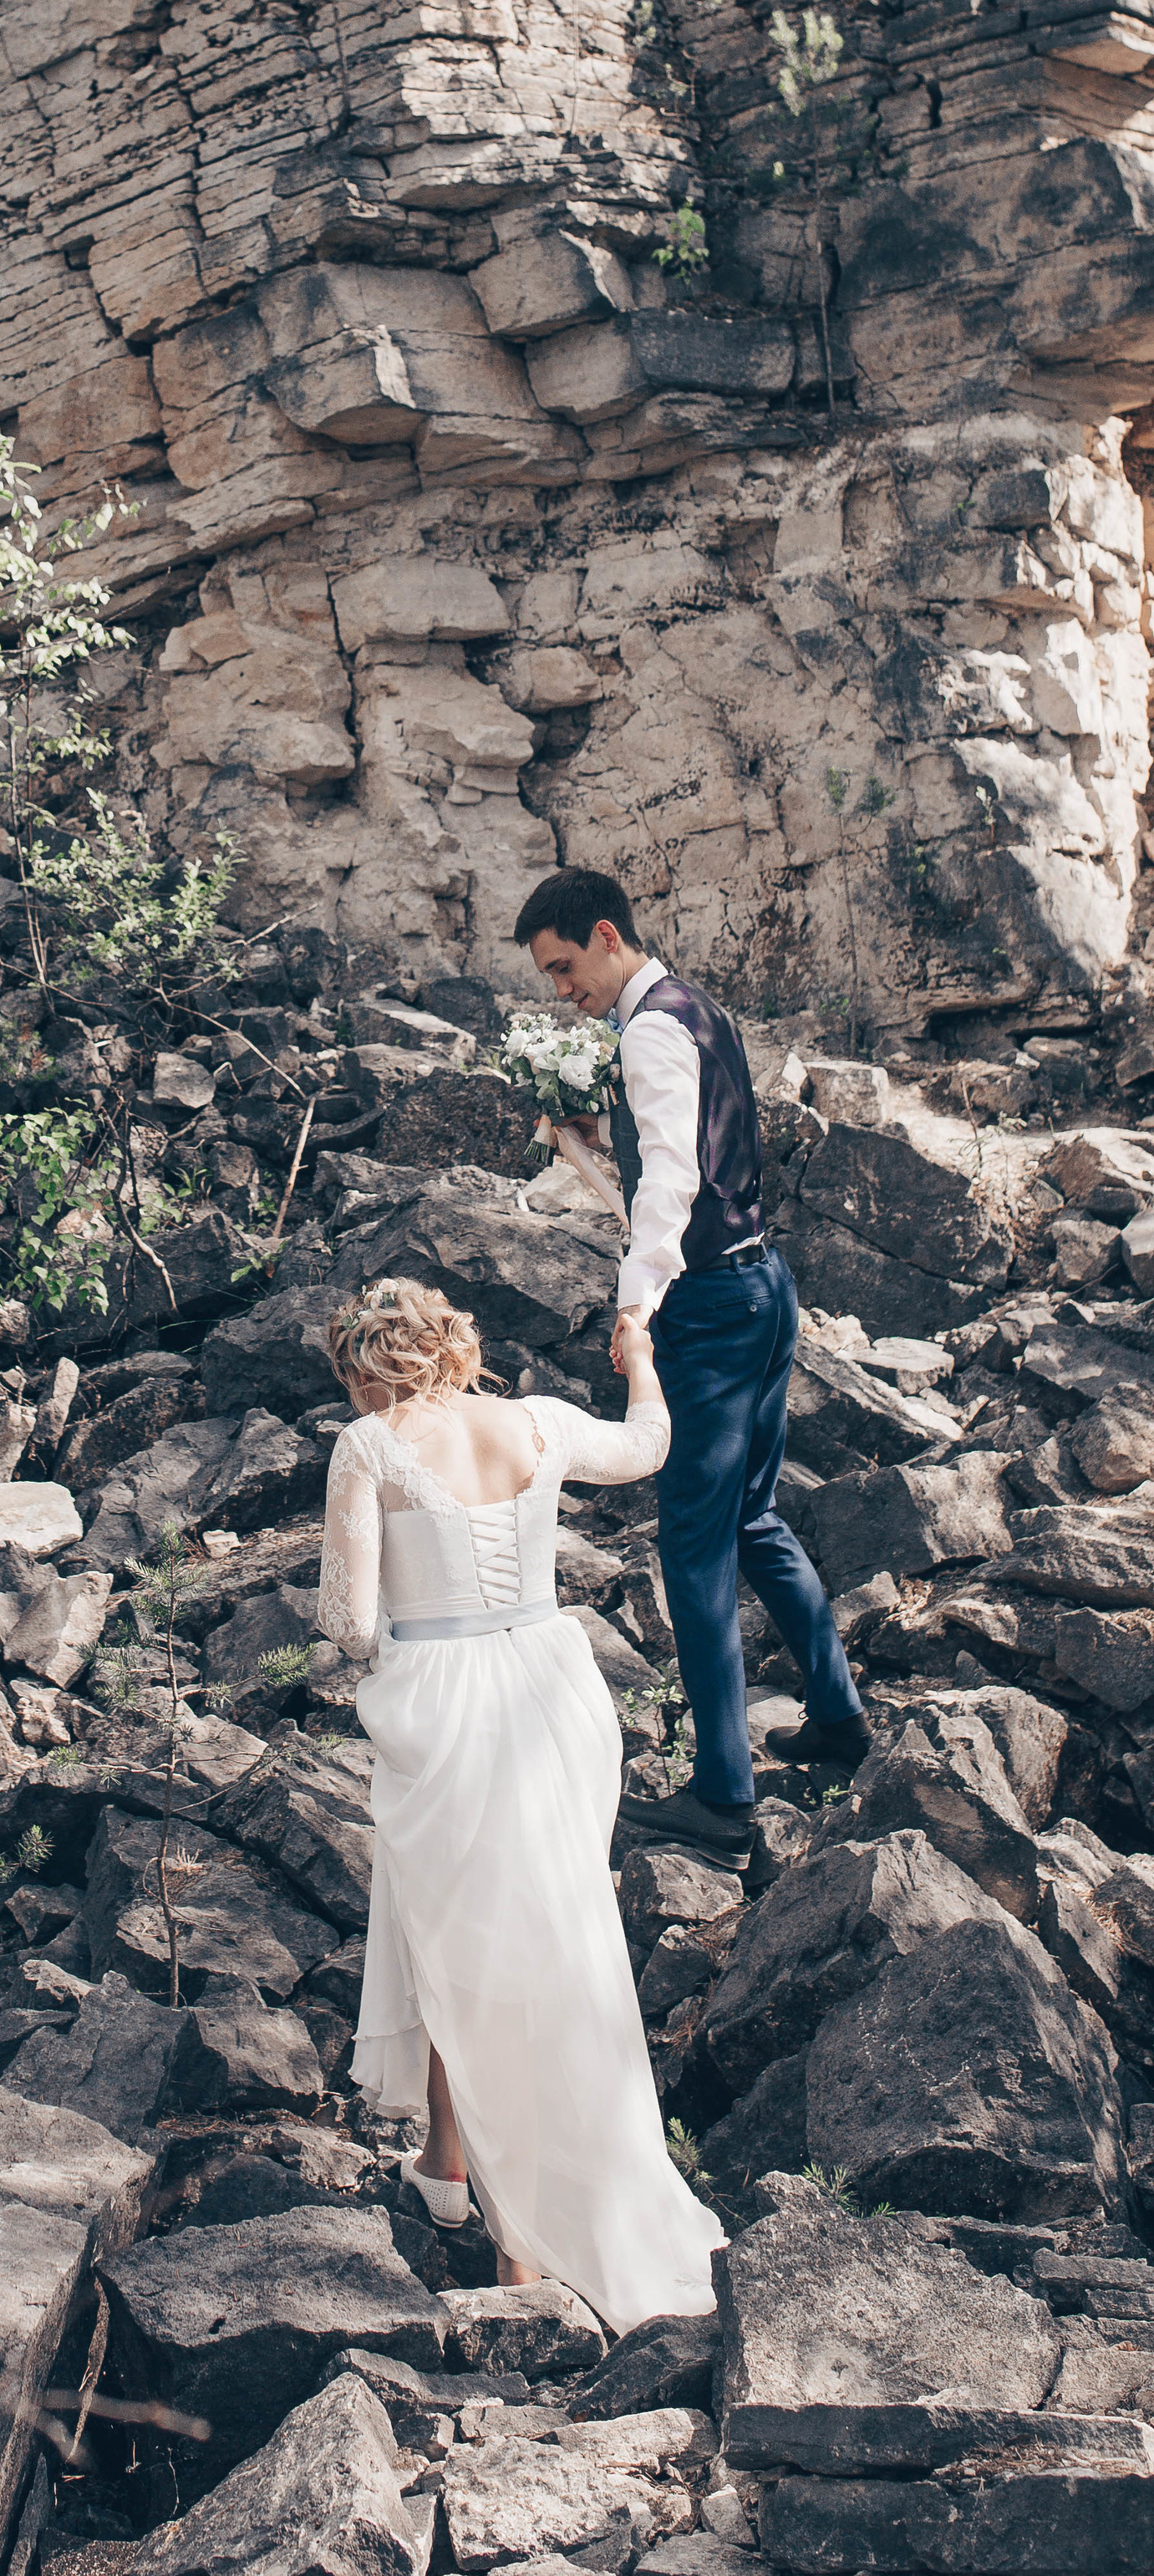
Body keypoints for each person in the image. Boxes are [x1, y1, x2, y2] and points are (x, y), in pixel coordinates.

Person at [318, 1275, 724, 2331]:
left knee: (473, 1947)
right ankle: (445, 2160)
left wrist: (401, 1627)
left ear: (364, 1364)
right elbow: (647, 1449)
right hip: (552, 1684)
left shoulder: (366, 1450)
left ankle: (520, 2245)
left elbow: (349, 1620)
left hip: (445, 1703)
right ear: (453, 1344)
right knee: (541, 1932)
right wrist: (638, 1358)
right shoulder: (535, 1421)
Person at [513, 867, 868, 1861]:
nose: (559, 991)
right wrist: (594, 1140)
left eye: (564, 967)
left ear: (604, 934)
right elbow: (695, 1154)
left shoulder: (650, 1029)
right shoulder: (692, 1006)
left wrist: (636, 1305)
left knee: (694, 1544)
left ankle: (723, 1803)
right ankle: (838, 1723)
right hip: (764, 1288)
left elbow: (672, 1177)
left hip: (709, 1310)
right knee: (751, 1516)